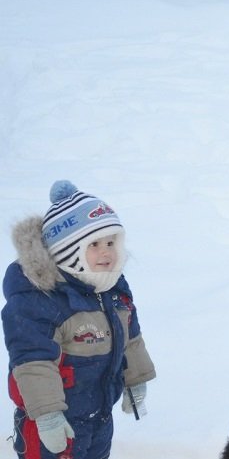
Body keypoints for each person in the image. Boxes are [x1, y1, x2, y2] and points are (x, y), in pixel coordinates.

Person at [2, 180, 156, 459]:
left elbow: (130, 337)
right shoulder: (40, 300)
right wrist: (48, 414)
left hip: (99, 416)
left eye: (111, 242)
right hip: (51, 423)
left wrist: (136, 379)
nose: (106, 251)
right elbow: (33, 362)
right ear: (68, 249)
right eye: (94, 244)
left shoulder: (112, 288)